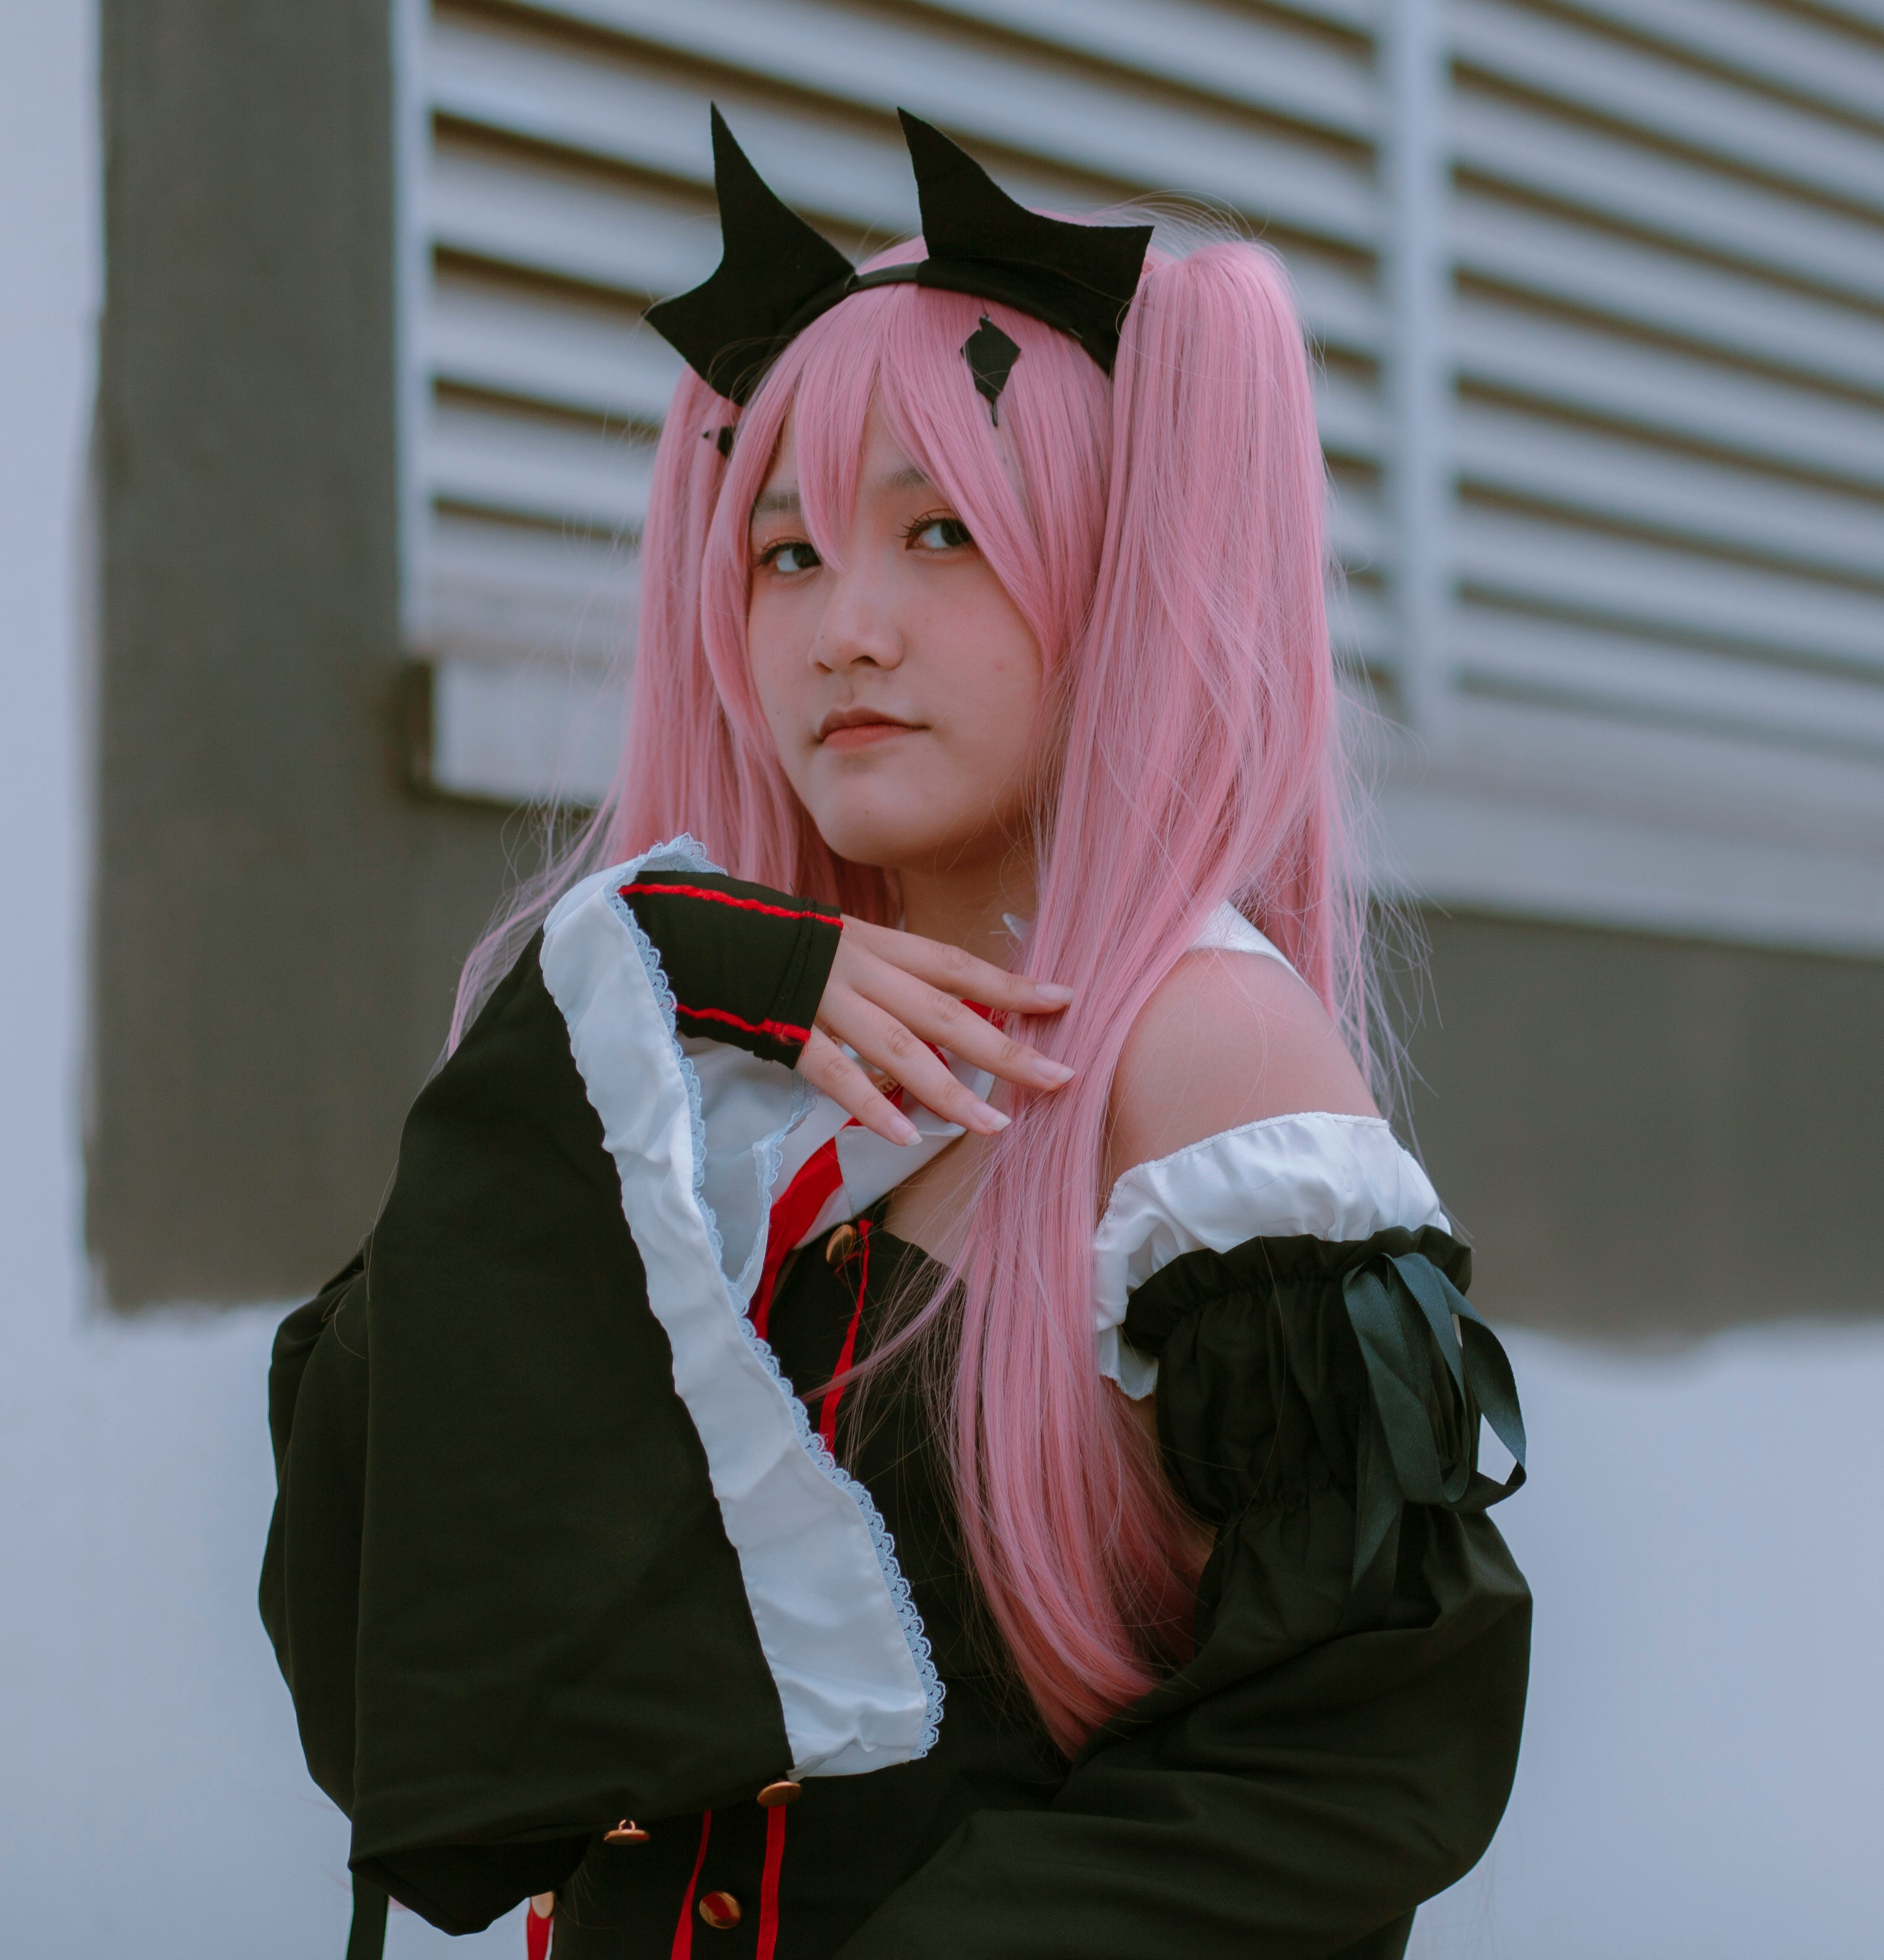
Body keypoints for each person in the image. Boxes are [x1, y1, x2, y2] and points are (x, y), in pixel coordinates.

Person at [262, 111, 1529, 1960]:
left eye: (940, 533)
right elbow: (389, 1620)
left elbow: (1348, 1758)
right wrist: (637, 968)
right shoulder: (692, 1043)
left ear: (1120, 569)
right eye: (782, 556)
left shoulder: (1202, 1058)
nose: (844, 630)